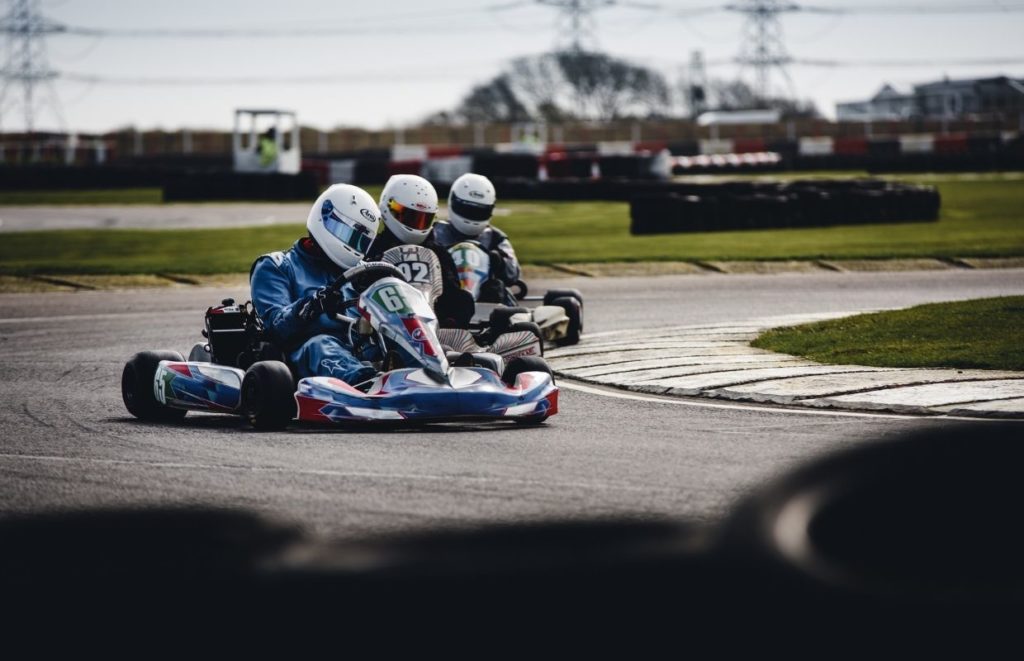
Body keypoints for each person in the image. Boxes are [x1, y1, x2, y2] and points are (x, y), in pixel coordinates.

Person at [250, 183, 381, 385]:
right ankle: (366, 385)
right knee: (321, 345)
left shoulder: (364, 272)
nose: (353, 247)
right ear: (325, 219)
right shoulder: (277, 266)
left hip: (359, 347)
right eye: (348, 235)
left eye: (359, 241)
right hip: (303, 355)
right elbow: (276, 328)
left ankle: (429, 374)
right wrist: (312, 305)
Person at [366, 174, 473, 327]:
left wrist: (451, 320)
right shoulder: (373, 250)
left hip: (433, 334)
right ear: (389, 207)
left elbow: (455, 298)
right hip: (382, 329)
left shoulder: (439, 254)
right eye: (409, 216)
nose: (416, 225)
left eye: (423, 219)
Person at [431, 173, 521, 292]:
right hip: (443, 294)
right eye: (467, 210)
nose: (472, 216)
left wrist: (499, 262)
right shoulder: (434, 232)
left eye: (478, 212)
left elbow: (513, 274)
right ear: (453, 201)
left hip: (485, 296)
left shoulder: (495, 237)